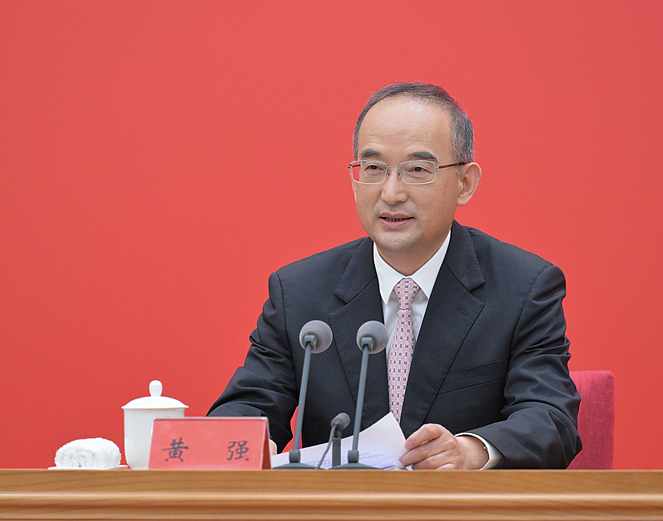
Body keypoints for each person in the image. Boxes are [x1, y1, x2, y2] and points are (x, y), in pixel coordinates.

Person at [208, 82, 581, 469]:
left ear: (465, 183)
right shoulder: (299, 292)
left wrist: (471, 451)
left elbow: (550, 418)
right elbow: (246, 408)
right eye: (373, 169)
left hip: (458, 502)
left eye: (417, 170)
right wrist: (246, 445)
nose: (391, 193)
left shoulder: (522, 287)